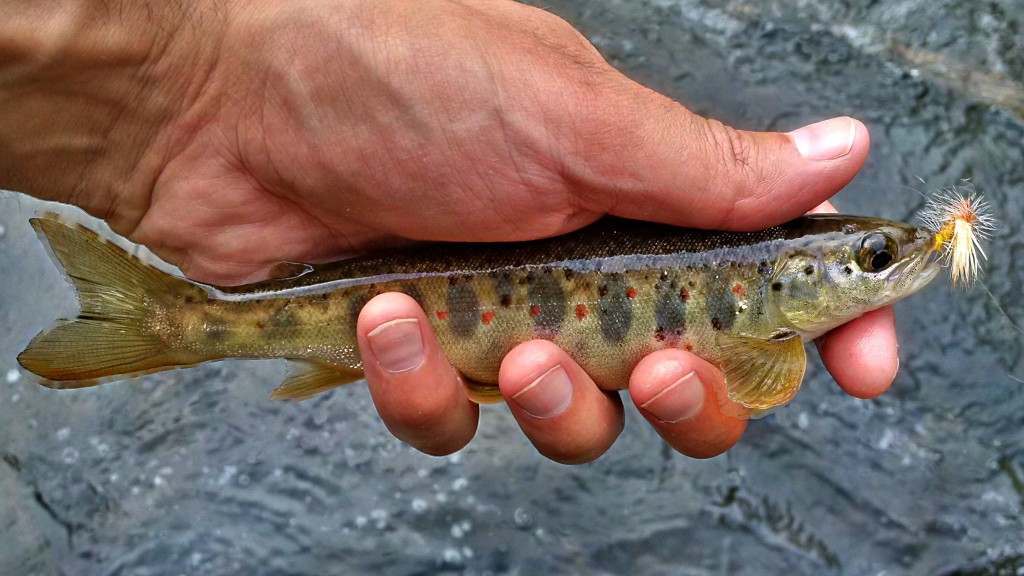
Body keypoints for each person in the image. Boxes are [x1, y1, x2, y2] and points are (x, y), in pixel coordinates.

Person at [0, 0, 898, 463]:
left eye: (877, 258)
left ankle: (183, 322)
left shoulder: (774, 336)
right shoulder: (771, 341)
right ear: (799, 280)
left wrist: (200, 77)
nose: (891, 263)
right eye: (874, 258)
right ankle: (177, 324)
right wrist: (200, 78)